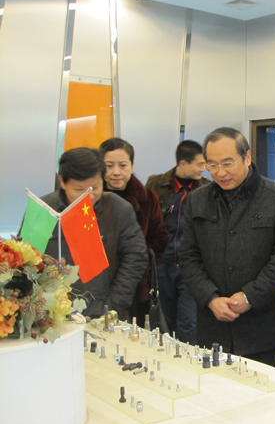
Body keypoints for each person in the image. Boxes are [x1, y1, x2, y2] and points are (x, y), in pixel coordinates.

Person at [178, 127, 275, 367]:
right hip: (212, 325)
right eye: (212, 165)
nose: (220, 172)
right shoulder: (197, 200)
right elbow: (188, 257)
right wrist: (210, 298)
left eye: (227, 163)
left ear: (247, 157)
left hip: (261, 327)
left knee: (259, 389)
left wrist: (250, 296)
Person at [41, 147, 148, 318]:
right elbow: (28, 258)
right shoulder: (44, 210)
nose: (88, 196)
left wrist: (113, 304)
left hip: (103, 311)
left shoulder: (117, 209)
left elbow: (136, 256)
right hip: (51, 314)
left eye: (94, 187)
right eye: (79, 189)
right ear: (62, 182)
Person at [146, 140, 211, 345]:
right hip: (161, 265)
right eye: (199, 164)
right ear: (183, 163)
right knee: (165, 321)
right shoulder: (155, 185)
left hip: (190, 266)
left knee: (189, 322)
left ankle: (189, 361)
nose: (203, 168)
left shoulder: (206, 188)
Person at [99, 138, 168, 322]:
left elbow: (159, 238)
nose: (116, 172)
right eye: (109, 166)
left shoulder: (148, 198)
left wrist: (138, 266)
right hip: (98, 284)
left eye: (122, 165)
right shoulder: (91, 198)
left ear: (132, 165)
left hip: (136, 286)